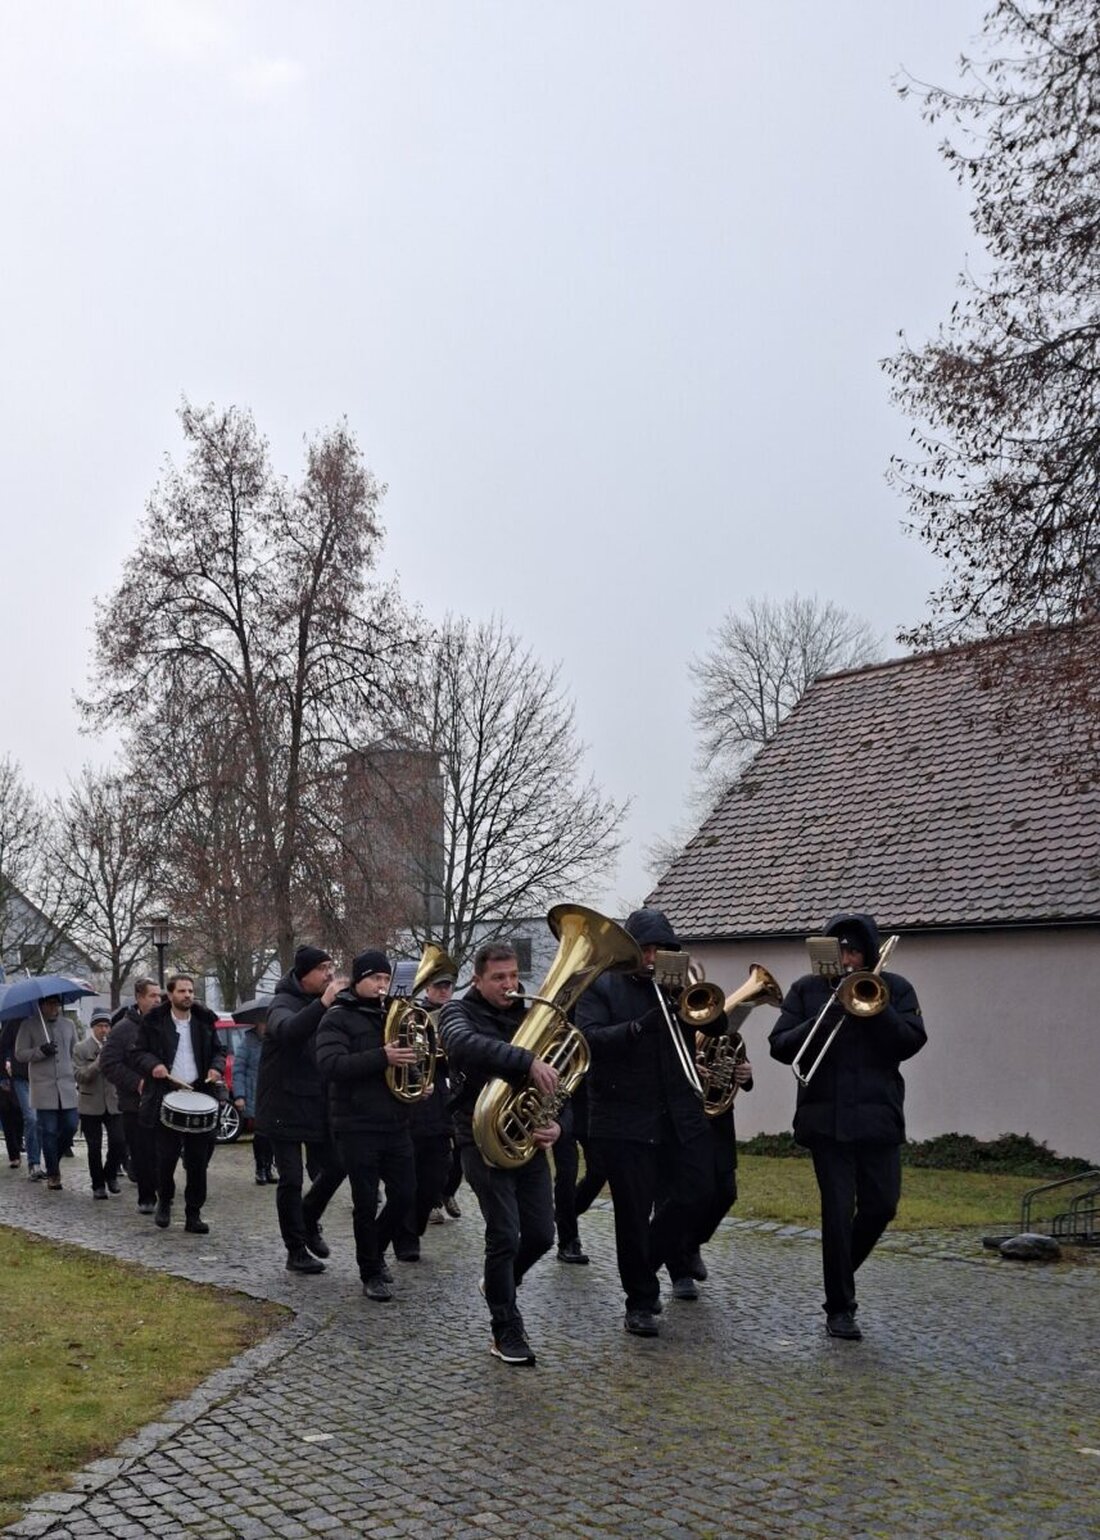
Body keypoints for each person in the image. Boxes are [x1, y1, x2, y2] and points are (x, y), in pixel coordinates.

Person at [768, 912, 926, 1341]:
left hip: (879, 1120)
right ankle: (840, 1307)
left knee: (882, 1205)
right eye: (840, 951)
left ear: (868, 954)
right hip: (827, 1122)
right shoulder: (806, 990)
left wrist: (874, 1009)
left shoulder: (895, 989)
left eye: (855, 951)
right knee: (837, 1214)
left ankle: (839, 1272)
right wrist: (829, 1011)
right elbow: (780, 1047)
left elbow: (911, 1041)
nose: (847, 959)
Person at [575, 909, 716, 1338]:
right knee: (633, 1215)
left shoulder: (679, 987)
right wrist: (639, 1027)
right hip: (624, 1119)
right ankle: (639, 1301)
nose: (654, 957)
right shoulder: (601, 984)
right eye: (648, 949)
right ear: (633, 951)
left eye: (663, 950)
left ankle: (648, 1261)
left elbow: (718, 1022)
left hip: (678, 1114)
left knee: (701, 1192)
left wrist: (696, 1005)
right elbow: (590, 1039)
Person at [439, 942, 561, 1366]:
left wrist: (557, 1123)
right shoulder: (457, 1012)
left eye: (513, 976)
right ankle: (505, 1329)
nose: (510, 985)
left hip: (526, 1136)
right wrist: (526, 1060)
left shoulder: (531, 1012)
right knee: (505, 1234)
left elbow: (560, 1080)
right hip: (477, 1134)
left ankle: (499, 1285)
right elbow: (463, 1045)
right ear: (477, 980)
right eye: (498, 978)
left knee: (543, 1235)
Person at [315, 950, 418, 1301]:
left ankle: (374, 1250)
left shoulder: (394, 1014)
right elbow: (331, 1065)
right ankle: (370, 1270)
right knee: (365, 1202)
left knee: (406, 1195)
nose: (382, 985)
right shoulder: (337, 1018)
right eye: (376, 978)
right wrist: (382, 1056)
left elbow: (405, 1060)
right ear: (359, 980)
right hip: (356, 1123)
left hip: (395, 1120)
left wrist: (420, 1080)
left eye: (387, 979)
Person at [256, 946, 348, 1276]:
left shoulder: (326, 1003)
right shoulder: (282, 1002)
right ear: (304, 973)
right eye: (323, 968)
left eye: (331, 966)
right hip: (283, 1105)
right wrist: (324, 1005)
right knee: (291, 1179)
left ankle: (308, 1220)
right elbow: (289, 1030)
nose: (330, 974)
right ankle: (295, 1250)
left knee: (338, 1165)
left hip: (316, 1102)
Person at [131, 974, 226, 1234]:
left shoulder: (204, 1021)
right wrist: (154, 1066)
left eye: (190, 991)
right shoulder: (153, 1022)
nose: (187, 995)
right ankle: (165, 1201)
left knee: (198, 1161)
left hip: (199, 1092)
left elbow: (219, 1051)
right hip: (167, 1095)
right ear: (170, 995)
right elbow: (138, 1053)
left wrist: (216, 1069)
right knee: (166, 1158)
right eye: (182, 991)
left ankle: (193, 1214)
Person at [100, 979, 162, 1213]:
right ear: (139, 998)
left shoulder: (165, 1024)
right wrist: (136, 1082)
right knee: (142, 1152)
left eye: (159, 995)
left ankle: (162, 1191)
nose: (157, 1000)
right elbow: (108, 1063)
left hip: (163, 1099)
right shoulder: (123, 1029)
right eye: (151, 996)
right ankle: (147, 1197)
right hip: (134, 1103)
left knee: (163, 1151)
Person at [405, 970, 457, 1248]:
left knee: (440, 1168)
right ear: (427, 989)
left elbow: (452, 1065)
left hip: (439, 1100)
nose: (443, 991)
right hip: (414, 1101)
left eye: (447, 986)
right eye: (438, 987)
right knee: (412, 1170)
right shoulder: (415, 1015)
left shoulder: (455, 1015)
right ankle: (408, 1236)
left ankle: (420, 1218)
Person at [15, 999, 79, 1191]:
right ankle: (53, 1174)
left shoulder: (68, 1025)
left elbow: (73, 1051)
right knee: (49, 1131)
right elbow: (20, 1054)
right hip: (43, 1088)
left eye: (56, 1005)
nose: (54, 1008)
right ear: (41, 1006)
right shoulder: (28, 1025)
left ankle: (52, 1160)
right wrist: (41, 1051)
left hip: (67, 1086)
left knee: (71, 1126)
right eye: (50, 1005)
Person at [74, 1008, 127, 1199]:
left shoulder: (116, 1046)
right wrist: (98, 1062)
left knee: (119, 1141)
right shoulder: (81, 1048)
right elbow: (80, 1076)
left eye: (106, 1026)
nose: (104, 1030)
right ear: (92, 1028)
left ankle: (110, 1173)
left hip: (113, 1102)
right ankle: (98, 1185)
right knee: (94, 1146)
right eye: (100, 1026)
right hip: (90, 1104)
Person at [231, 1014, 274, 1185]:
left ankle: (269, 1167)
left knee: (272, 1133)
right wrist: (240, 1095)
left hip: (272, 1092)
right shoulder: (248, 1041)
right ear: (257, 1024)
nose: (265, 1026)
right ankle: (260, 1168)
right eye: (263, 1022)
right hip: (254, 1092)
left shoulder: (275, 1040)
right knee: (261, 1133)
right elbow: (238, 1069)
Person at [2, 1012, 42, 1179]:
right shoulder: (14, 1022)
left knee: (40, 1121)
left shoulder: (45, 1023)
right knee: (26, 1117)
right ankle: (31, 1161)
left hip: (42, 1077)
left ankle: (48, 1158)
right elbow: (2, 1046)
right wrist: (5, 1073)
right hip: (19, 1077)